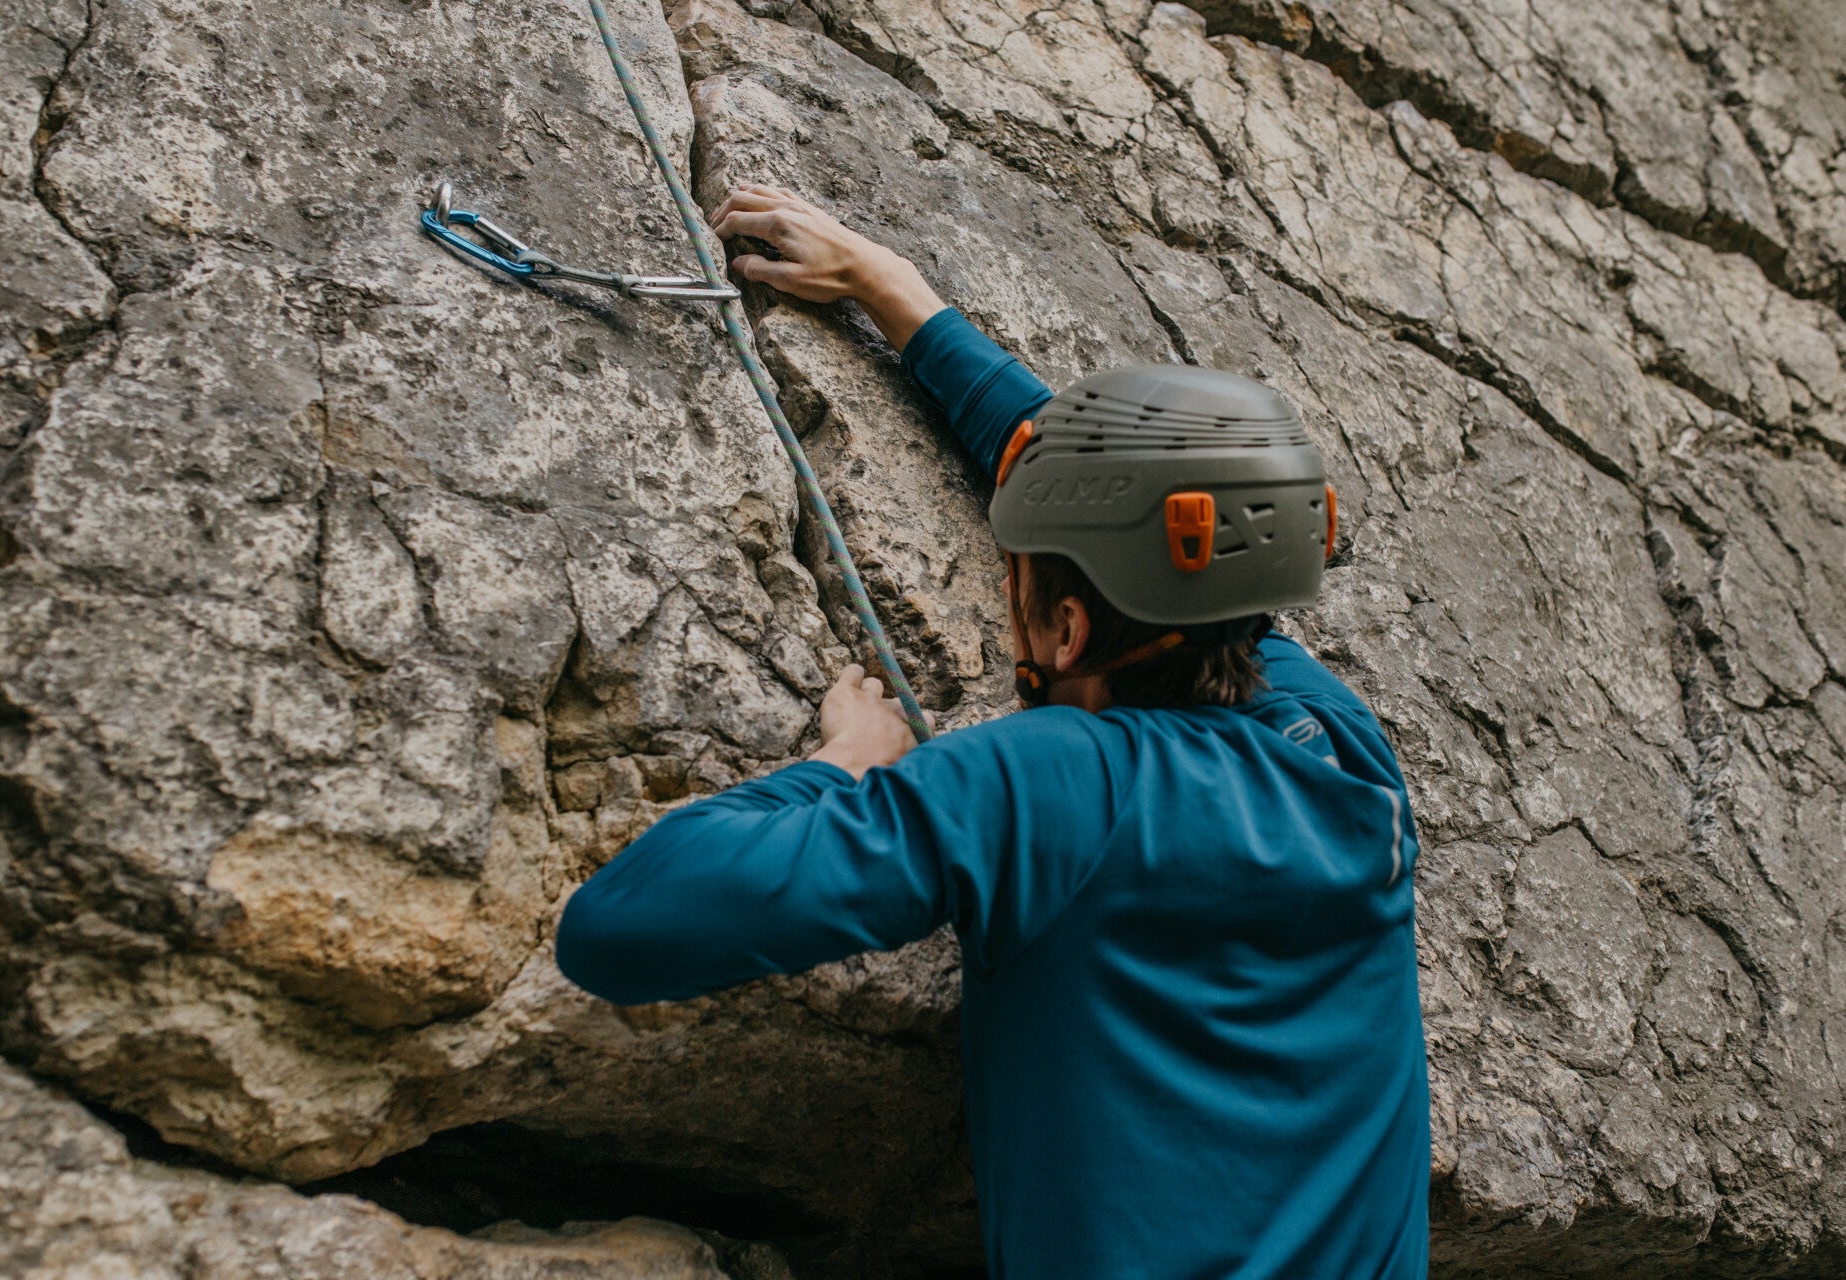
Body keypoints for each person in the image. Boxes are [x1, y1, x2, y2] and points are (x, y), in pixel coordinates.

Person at [555, 185, 1429, 1280]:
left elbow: (616, 930)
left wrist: (841, 766)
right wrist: (895, 293)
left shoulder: (1055, 784)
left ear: (1064, 626)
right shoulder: (1345, 751)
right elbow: (1106, 481)